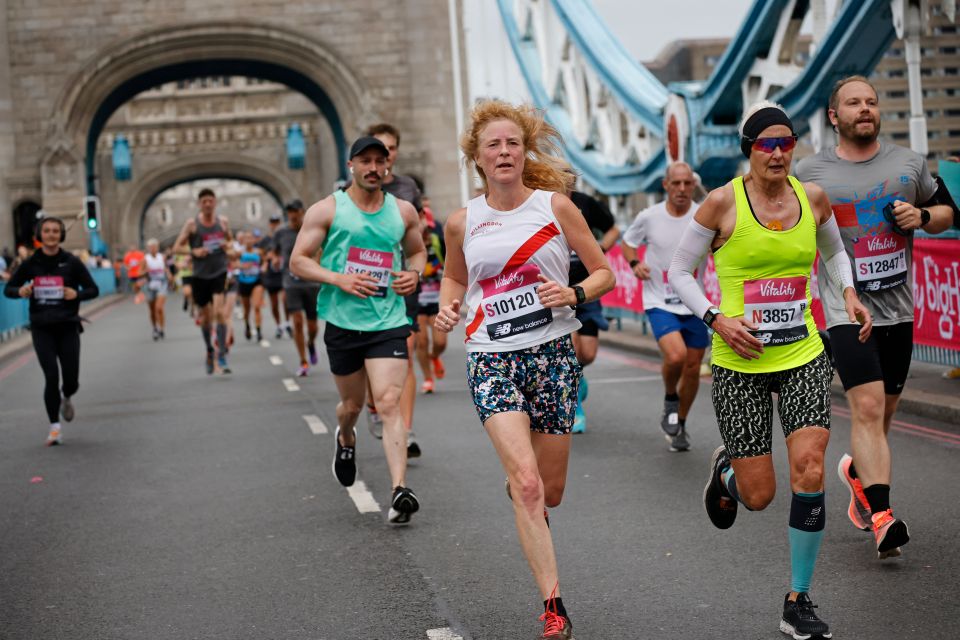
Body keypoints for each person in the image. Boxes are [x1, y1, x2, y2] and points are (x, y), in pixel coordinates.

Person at [669, 102, 872, 640]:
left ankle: (797, 599)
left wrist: (848, 293)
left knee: (809, 467)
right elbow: (678, 271)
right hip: (740, 362)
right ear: (750, 150)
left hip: (803, 353)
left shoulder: (813, 199)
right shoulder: (720, 204)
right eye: (768, 144)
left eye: (787, 142)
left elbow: (833, 255)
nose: (779, 152)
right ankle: (728, 473)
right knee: (758, 495)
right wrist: (717, 319)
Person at [435, 101, 614, 639]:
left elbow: (604, 271)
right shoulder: (461, 221)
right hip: (490, 355)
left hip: (553, 353)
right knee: (530, 483)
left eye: (513, 142)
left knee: (550, 490)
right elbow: (454, 279)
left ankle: (525, 495)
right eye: (494, 144)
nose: (505, 151)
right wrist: (448, 307)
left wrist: (575, 291)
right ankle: (553, 605)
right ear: (478, 158)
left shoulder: (555, 208)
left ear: (524, 151)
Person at [794, 76, 956, 558]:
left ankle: (856, 476)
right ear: (833, 116)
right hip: (846, 310)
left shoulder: (909, 164)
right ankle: (884, 519)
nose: (865, 109)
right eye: (853, 103)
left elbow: (949, 209)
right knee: (865, 410)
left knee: (881, 420)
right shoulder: (808, 171)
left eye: (871, 102)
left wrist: (923, 218)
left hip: (899, 311)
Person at [291, 135, 426, 525]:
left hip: (388, 321)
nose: (372, 167)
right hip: (343, 322)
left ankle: (400, 489)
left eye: (378, 161)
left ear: (388, 166)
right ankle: (346, 437)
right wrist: (339, 279)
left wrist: (413, 274)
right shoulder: (328, 210)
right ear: (350, 165)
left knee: (387, 402)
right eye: (364, 161)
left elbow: (417, 251)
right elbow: (298, 262)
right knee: (351, 407)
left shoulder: (402, 212)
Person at [621, 162, 708, 451]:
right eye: (676, 184)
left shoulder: (704, 215)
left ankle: (679, 421)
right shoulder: (649, 216)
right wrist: (635, 263)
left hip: (695, 302)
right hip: (660, 300)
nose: (682, 189)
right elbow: (628, 243)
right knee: (676, 356)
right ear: (666, 185)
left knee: (694, 368)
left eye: (687, 184)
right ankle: (671, 396)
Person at [4, 217, 99, 445]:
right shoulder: (30, 263)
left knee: (71, 379)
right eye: (46, 231)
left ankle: (67, 396)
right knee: (50, 376)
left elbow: (92, 289)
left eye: (55, 231)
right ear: (40, 234)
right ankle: (54, 428)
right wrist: (22, 291)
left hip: (67, 325)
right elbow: (8, 289)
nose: (51, 234)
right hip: (42, 327)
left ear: (61, 235)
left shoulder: (72, 262)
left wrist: (76, 294)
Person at [566, 186, 620, 433]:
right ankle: (575, 407)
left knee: (587, 354)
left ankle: (578, 378)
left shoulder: (585, 203)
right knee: (571, 349)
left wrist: (600, 250)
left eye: (568, 177)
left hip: (586, 290)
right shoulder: (539, 204)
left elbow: (613, 228)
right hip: (557, 292)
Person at [173, 188, 234, 375]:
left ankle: (221, 353)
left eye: (210, 201)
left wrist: (226, 245)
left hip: (219, 271)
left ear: (215, 202)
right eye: (204, 201)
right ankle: (209, 349)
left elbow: (230, 242)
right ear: (200, 204)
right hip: (199, 275)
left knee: (220, 312)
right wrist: (194, 252)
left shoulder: (223, 222)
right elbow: (176, 247)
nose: (208, 204)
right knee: (206, 318)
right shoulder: (192, 224)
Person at [273, 200, 320, 377]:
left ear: (302, 211)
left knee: (313, 326)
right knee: (297, 322)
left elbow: (322, 250)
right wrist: (275, 259)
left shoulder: (313, 229)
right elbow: (274, 251)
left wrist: (317, 262)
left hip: (312, 283)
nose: (292, 215)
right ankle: (303, 361)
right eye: (289, 211)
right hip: (291, 283)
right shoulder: (281, 233)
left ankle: (311, 343)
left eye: (295, 211)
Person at [415, 199, 448, 395]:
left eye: (428, 228)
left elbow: (450, 266)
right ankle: (428, 378)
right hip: (417, 300)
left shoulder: (437, 242)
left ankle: (434, 356)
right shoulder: (409, 245)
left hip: (436, 298)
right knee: (421, 342)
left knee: (440, 342)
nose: (425, 231)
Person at [260, 214, 287, 339]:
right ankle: (278, 325)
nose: (275, 225)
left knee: (285, 299)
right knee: (274, 302)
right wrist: (267, 258)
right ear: (270, 224)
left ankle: (287, 322)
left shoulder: (284, 236)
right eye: (273, 222)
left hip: (283, 273)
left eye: (277, 222)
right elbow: (260, 257)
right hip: (271, 275)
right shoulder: (265, 240)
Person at [237, 231, 265, 342]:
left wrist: (264, 267)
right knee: (247, 309)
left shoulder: (259, 252)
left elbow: (265, 262)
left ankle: (258, 331)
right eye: (246, 238)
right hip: (244, 281)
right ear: (243, 241)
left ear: (254, 240)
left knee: (257, 306)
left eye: (251, 238)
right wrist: (242, 265)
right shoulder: (239, 253)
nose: (249, 240)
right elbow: (232, 263)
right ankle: (247, 325)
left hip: (256, 281)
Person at [143, 238, 171, 340]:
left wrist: (169, 274)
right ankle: (155, 328)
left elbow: (166, 268)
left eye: (154, 247)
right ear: (148, 248)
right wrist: (145, 271)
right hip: (150, 285)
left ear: (157, 248)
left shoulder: (162, 257)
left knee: (158, 308)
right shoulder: (145, 259)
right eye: (151, 247)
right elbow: (139, 272)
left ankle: (161, 329)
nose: (153, 249)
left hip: (161, 283)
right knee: (152, 309)